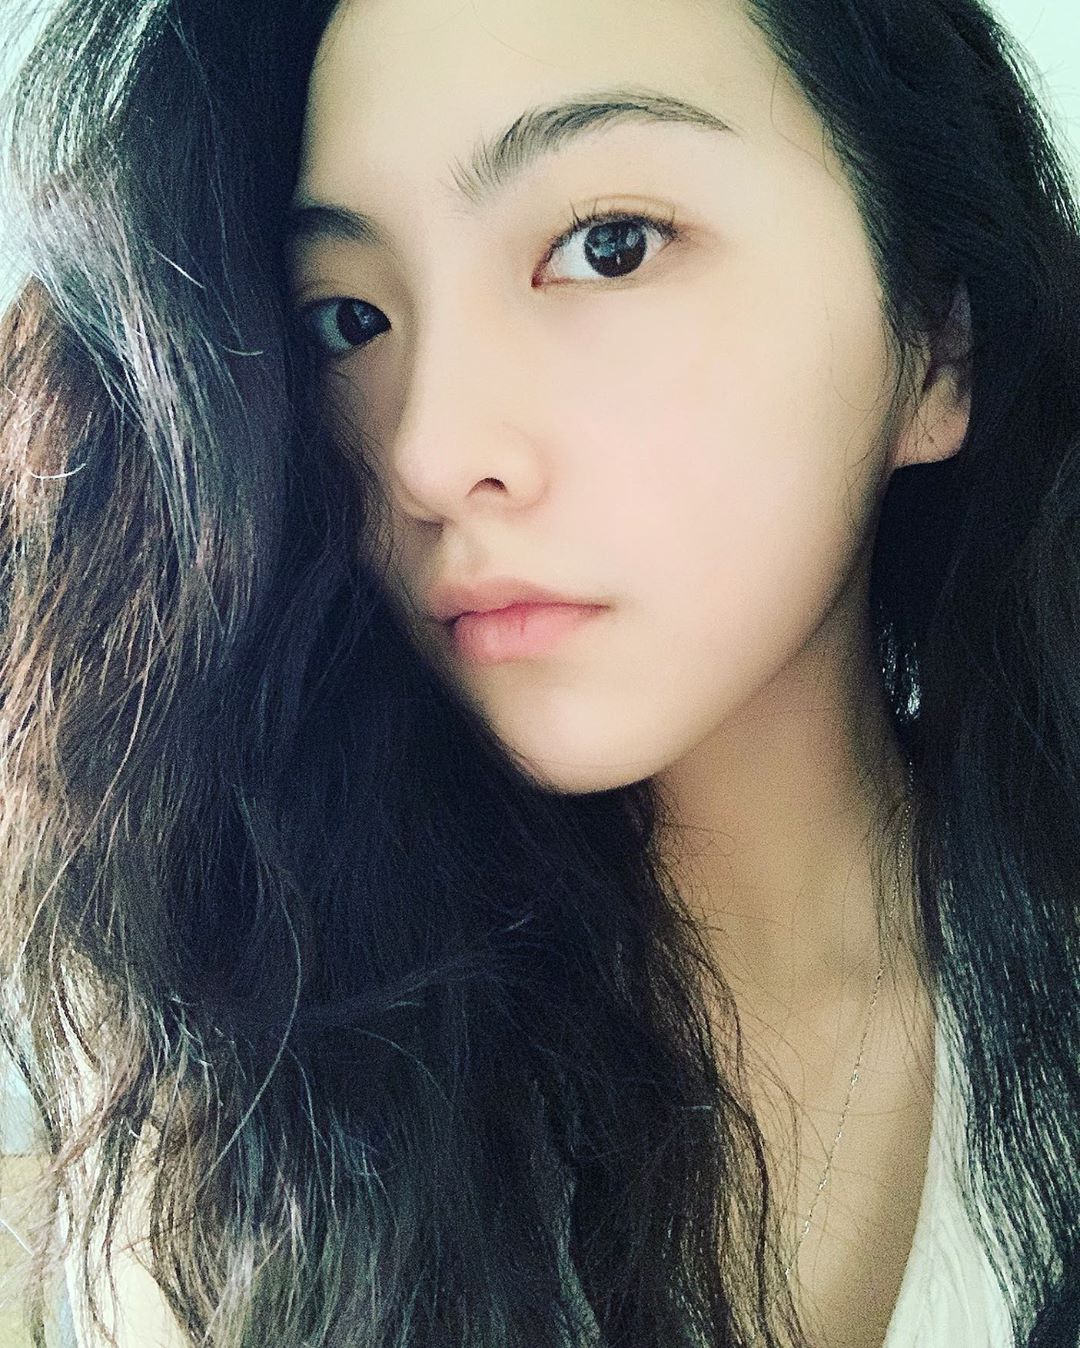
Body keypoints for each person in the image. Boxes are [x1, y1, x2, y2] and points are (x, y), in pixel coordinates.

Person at [0, 0, 1076, 1345]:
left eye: (608, 246)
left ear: (935, 343)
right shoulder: (233, 1078)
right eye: (346, 319)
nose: (430, 452)